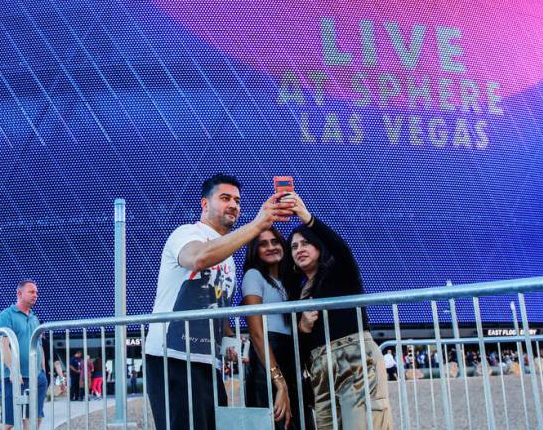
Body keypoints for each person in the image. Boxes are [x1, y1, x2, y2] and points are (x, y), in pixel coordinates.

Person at [145, 173, 295, 430]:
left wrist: (232, 341)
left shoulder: (228, 256)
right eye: (225, 198)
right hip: (173, 354)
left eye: (237, 200)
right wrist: (257, 225)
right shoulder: (187, 233)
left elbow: (218, 307)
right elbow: (198, 258)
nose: (234, 205)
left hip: (208, 360)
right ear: (204, 204)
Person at [286, 193, 393, 430]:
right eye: (294, 247)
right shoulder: (297, 293)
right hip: (320, 369)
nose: (299, 249)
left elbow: (342, 249)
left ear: (319, 247)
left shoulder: (341, 273)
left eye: (306, 243)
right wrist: (302, 328)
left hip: (354, 361)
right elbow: (300, 345)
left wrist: (307, 218)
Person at [241, 227, 300, 429]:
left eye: (275, 241)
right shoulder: (253, 276)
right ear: (255, 251)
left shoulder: (289, 281)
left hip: (290, 361)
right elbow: (257, 333)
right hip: (267, 362)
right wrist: (278, 381)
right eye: (263, 244)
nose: (271, 247)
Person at [0, 279, 64, 430]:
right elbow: (3, 345)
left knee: (33, 418)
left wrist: (43, 374)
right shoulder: (6, 315)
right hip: (11, 377)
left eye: (37, 292)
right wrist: (14, 370)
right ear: (19, 294)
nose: (36, 295)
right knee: (8, 423)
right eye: (31, 292)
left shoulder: (34, 318)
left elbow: (38, 346)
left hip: (35, 377)